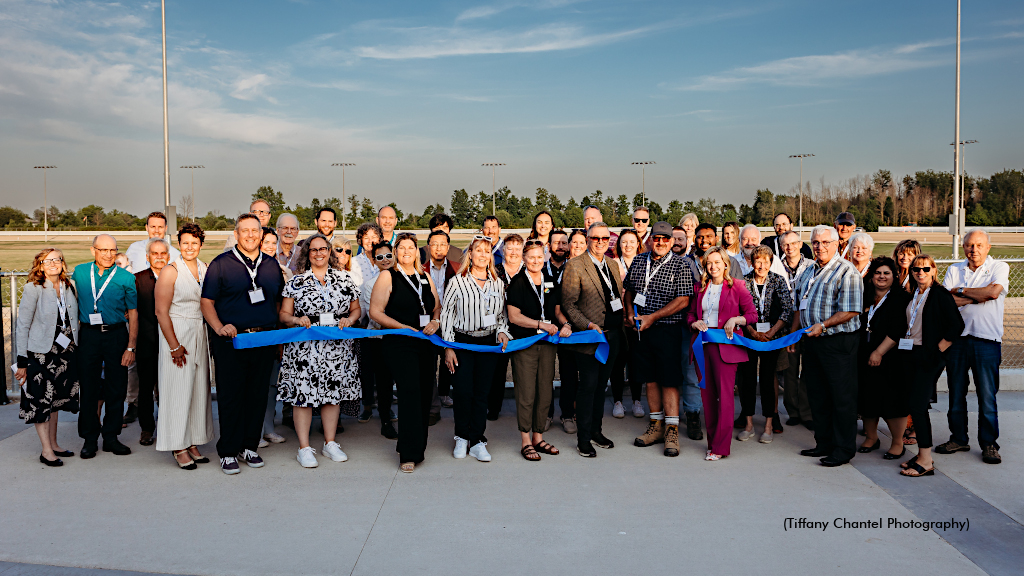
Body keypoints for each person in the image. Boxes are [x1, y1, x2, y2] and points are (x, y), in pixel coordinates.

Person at [201, 213, 285, 475]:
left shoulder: (271, 264)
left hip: (263, 340)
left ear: (262, 234)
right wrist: (218, 327)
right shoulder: (221, 264)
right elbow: (206, 302)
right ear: (236, 234)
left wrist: (278, 336)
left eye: (255, 231)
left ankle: (249, 446)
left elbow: (279, 303)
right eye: (244, 231)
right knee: (231, 397)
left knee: (257, 395)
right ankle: (228, 450)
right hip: (232, 341)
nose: (250, 235)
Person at [278, 234, 362, 468]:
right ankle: (304, 448)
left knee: (332, 395)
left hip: (336, 348)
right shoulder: (296, 282)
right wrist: (296, 318)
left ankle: (330, 443)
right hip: (305, 349)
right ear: (307, 254)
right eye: (313, 250)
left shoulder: (345, 280)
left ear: (329, 251)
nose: (318, 253)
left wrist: (350, 320)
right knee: (302, 397)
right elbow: (283, 315)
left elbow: (356, 309)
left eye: (322, 249)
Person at [788, 225, 863, 467]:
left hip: (837, 342)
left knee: (841, 398)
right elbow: (801, 303)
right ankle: (824, 442)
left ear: (836, 244)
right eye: (816, 242)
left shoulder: (846, 271)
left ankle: (843, 449)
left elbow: (851, 310)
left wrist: (824, 325)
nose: (820, 246)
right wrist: (793, 335)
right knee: (817, 395)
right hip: (811, 341)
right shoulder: (809, 269)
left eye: (825, 242)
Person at [370, 233, 442, 473]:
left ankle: (419, 448)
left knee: (423, 395)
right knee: (410, 394)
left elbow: (436, 306)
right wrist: (403, 328)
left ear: (417, 251)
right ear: (396, 252)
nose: (407, 251)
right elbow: (375, 312)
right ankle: (407, 453)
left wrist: (435, 321)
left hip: (425, 344)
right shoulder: (387, 276)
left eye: (411, 247)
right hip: (400, 344)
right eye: (402, 248)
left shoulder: (424, 277)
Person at [625, 222, 693, 457]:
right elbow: (629, 291)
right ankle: (656, 425)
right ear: (650, 239)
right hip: (641, 329)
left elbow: (684, 300)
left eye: (666, 239)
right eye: (657, 238)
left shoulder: (681, 265)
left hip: (667, 329)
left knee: (669, 379)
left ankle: (671, 430)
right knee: (650, 379)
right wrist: (629, 314)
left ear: (672, 241)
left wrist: (652, 317)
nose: (661, 243)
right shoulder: (637, 261)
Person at [940, 229, 1008, 465]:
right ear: (963, 246)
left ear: (988, 247)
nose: (974, 250)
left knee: (987, 396)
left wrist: (962, 292)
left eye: (979, 245)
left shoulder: (999, 267)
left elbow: (993, 292)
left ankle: (989, 443)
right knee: (956, 394)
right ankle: (958, 438)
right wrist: (977, 296)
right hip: (957, 340)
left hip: (987, 340)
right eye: (969, 245)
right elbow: (947, 300)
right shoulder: (954, 269)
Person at [440, 237, 511, 462]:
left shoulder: (496, 282)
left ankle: (478, 440)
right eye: (478, 250)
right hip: (462, 342)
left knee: (482, 393)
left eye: (486, 251)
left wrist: (501, 331)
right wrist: (449, 348)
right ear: (470, 254)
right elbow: (447, 315)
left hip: (487, 343)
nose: (482, 254)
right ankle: (461, 436)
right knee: (462, 391)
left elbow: (501, 316)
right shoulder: (457, 282)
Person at [895, 255, 964, 477]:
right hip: (910, 354)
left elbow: (957, 325)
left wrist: (938, 350)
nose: (920, 272)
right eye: (916, 269)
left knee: (917, 406)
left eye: (925, 268)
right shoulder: (913, 294)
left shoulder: (940, 295)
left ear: (933, 270)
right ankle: (921, 454)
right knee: (914, 405)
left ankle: (926, 460)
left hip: (929, 357)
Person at [154, 223, 216, 469]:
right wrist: (173, 345)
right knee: (177, 391)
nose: (189, 247)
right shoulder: (171, 270)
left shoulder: (205, 268)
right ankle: (177, 445)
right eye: (185, 243)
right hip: (177, 331)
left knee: (198, 390)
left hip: (199, 332)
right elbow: (160, 311)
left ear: (201, 245)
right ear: (179, 244)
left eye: (194, 243)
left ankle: (192, 441)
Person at [688, 247, 757, 461]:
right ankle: (712, 443)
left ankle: (721, 447)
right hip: (703, 347)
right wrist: (694, 323)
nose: (713, 266)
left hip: (726, 349)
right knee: (707, 398)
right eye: (709, 263)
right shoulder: (699, 287)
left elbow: (752, 315)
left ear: (726, 264)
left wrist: (736, 320)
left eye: (718, 262)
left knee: (724, 399)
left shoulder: (737, 286)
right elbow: (690, 314)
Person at [72, 234, 138, 459]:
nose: (108, 255)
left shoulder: (125, 278)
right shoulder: (80, 273)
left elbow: (133, 313)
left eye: (112, 250)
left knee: (116, 387)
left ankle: (111, 437)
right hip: (88, 336)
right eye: (103, 250)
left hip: (116, 335)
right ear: (93, 251)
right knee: (88, 388)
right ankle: (89, 439)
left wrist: (131, 347)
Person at [560, 222, 623, 457]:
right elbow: (568, 304)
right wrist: (588, 325)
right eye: (595, 238)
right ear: (587, 239)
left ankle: (596, 432)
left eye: (604, 238)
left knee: (600, 388)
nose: (600, 242)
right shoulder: (575, 266)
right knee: (587, 387)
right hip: (589, 337)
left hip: (613, 337)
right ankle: (583, 438)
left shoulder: (612, 265)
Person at [506, 239, 571, 460]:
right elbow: (514, 317)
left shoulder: (551, 281)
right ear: (524, 259)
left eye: (539, 257)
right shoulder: (517, 282)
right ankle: (525, 440)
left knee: (545, 392)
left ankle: (538, 436)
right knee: (526, 393)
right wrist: (540, 324)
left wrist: (566, 324)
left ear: (544, 257)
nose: (535, 261)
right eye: (530, 257)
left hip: (548, 344)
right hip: (525, 344)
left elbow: (557, 310)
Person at [15, 248, 80, 466]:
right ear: (41, 265)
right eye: (48, 260)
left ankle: (54, 444)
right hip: (40, 354)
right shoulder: (34, 288)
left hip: (64, 353)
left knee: (55, 401)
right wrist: (22, 360)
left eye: (58, 259)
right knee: (41, 401)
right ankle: (45, 451)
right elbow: (22, 325)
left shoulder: (68, 287)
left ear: (63, 262)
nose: (54, 263)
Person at [736, 245, 793, 443]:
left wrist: (771, 332)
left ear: (771, 262)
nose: (761, 265)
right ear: (751, 262)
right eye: (757, 261)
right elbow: (739, 310)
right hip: (749, 338)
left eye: (765, 261)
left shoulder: (778, 281)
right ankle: (749, 423)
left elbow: (787, 310)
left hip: (772, 339)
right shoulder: (743, 281)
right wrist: (752, 331)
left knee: (769, 380)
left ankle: (768, 424)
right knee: (748, 379)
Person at [857, 256, 911, 459]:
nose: (881, 276)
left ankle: (897, 442)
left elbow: (899, 329)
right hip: (864, 354)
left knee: (892, 401)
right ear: (871, 276)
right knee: (867, 397)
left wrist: (879, 352)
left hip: (890, 357)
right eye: (877, 273)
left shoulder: (901, 299)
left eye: (886, 273)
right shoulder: (865, 297)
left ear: (894, 276)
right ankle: (871, 437)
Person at [679, 223, 719, 440]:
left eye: (709, 237)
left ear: (716, 238)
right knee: (692, 372)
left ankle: (718, 415)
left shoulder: (725, 261)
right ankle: (693, 415)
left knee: (718, 372)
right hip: (693, 326)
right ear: (694, 239)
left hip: (719, 328)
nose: (704, 241)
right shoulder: (685, 263)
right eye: (700, 237)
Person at [133, 238, 170, 446]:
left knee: (169, 388)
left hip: (172, 343)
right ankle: (147, 429)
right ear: (148, 257)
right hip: (147, 343)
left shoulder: (176, 277)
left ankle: (167, 425)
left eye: (162, 253)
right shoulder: (137, 280)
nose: (159, 257)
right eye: (154, 254)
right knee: (146, 389)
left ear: (168, 255)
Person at [359, 241, 398, 437]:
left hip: (401, 338)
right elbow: (372, 315)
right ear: (374, 261)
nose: (385, 260)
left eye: (388, 255)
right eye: (380, 257)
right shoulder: (369, 285)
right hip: (377, 339)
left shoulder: (404, 279)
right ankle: (385, 421)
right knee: (382, 381)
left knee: (392, 381)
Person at [777, 231, 814, 430]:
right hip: (785, 323)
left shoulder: (811, 266)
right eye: (785, 244)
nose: (789, 247)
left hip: (807, 323)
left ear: (800, 244)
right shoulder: (776, 265)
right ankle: (793, 411)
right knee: (789, 371)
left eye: (793, 243)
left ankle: (807, 412)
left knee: (807, 370)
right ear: (781, 246)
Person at [488, 234, 525, 420]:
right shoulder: (493, 272)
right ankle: (493, 409)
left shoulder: (529, 272)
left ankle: (525, 410)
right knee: (497, 373)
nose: (513, 252)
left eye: (517, 249)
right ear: (503, 251)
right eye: (510, 248)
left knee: (524, 372)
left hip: (524, 330)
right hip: (499, 329)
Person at [259, 227, 290, 447]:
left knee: (271, 384)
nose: (270, 247)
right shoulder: (248, 269)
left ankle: (268, 428)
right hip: (253, 333)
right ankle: (255, 431)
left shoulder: (279, 270)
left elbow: (282, 306)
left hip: (274, 331)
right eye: (266, 242)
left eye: (273, 243)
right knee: (255, 385)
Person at [425, 230, 459, 419]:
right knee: (429, 368)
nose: (438, 248)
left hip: (453, 325)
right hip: (429, 326)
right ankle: (433, 409)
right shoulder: (420, 269)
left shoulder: (458, 268)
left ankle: (455, 402)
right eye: (434, 244)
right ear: (428, 246)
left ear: (448, 247)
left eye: (442, 244)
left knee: (453, 365)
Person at [610, 228, 644, 419]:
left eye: (632, 241)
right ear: (619, 245)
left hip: (638, 320)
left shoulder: (643, 263)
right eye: (624, 242)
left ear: (638, 244)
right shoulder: (613, 264)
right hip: (618, 320)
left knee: (635, 362)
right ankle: (618, 401)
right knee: (617, 361)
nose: (628, 245)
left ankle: (637, 400)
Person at [354, 223, 383, 291]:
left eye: (374, 237)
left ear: (379, 239)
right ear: (361, 240)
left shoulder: (386, 260)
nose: (370, 241)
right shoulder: (353, 263)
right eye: (366, 238)